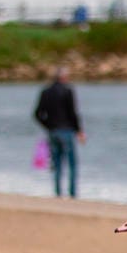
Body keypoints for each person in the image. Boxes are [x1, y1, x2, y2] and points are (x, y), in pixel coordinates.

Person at [33, 66, 86, 198]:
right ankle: (72, 194)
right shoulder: (68, 91)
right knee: (72, 164)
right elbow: (73, 113)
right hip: (67, 131)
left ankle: (58, 193)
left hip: (53, 132)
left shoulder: (46, 91)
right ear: (64, 77)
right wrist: (79, 131)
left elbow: (37, 114)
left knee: (57, 163)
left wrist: (48, 126)